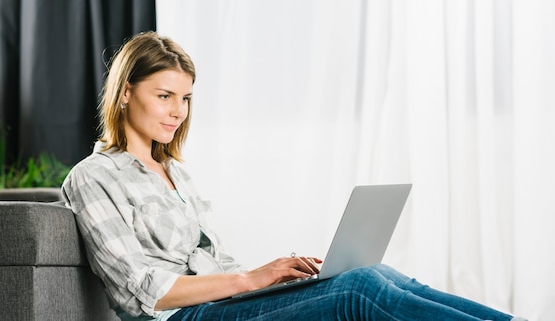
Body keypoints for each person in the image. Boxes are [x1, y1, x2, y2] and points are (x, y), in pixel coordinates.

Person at [62, 31, 527, 321]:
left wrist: (275, 279)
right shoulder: (93, 177)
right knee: (359, 292)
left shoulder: (175, 174)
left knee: (368, 271)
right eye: (164, 95)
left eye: (184, 99)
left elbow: (215, 265)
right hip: (184, 319)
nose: (177, 112)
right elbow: (138, 290)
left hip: (221, 305)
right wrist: (252, 281)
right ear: (125, 93)